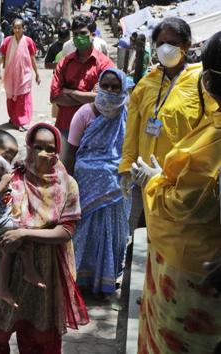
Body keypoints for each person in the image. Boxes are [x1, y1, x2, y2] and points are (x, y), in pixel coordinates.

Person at [135, 31, 221, 354]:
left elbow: (188, 202)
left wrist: (156, 181)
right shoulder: (148, 83)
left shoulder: (215, 135)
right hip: (178, 260)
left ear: (208, 80)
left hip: (192, 276)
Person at [0, 123, 88, 354]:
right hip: (3, 263)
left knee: (39, 338)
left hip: (44, 269)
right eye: (37, 147)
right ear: (28, 147)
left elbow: (66, 231)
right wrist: (1, 237)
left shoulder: (67, 184)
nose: (43, 153)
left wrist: (23, 233)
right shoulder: (10, 176)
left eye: (50, 148)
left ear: (58, 150)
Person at [118, 17, 215, 239]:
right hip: (146, 179)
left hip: (184, 182)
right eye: (161, 43)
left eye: (171, 42)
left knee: (179, 238)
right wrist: (125, 167)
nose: (165, 48)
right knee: (146, 237)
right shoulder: (146, 83)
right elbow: (132, 131)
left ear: (186, 45)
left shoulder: (201, 81)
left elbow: (211, 131)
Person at [62, 68, 131, 296]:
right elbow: (70, 152)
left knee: (112, 235)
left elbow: (130, 150)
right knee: (85, 234)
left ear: (123, 89)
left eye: (115, 87)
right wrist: (67, 185)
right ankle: (80, 280)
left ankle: (105, 281)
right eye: (106, 86)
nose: (110, 91)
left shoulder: (127, 114)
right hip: (86, 187)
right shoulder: (85, 113)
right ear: (98, 87)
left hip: (116, 189)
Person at [0, 130, 46, 309]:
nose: (8, 163)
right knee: (25, 233)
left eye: (12, 158)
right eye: (6, 156)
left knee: (11, 251)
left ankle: (4, 287)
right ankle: (29, 272)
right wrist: (3, 182)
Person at [50, 14, 114, 144]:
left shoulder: (105, 64)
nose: (79, 37)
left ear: (93, 35)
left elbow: (104, 99)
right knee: (64, 163)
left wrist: (69, 92)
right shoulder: (64, 63)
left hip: (95, 128)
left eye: (83, 33)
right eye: (75, 34)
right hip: (66, 125)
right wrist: (89, 96)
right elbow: (56, 96)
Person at [0, 19, 41, 132]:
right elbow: (3, 56)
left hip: (25, 74)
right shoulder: (7, 41)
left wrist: (37, 74)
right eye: (15, 28)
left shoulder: (28, 41)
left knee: (22, 98)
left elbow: (32, 58)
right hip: (10, 74)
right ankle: (13, 117)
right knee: (11, 97)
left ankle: (23, 121)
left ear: (24, 28)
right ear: (12, 29)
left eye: (19, 28)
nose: (17, 30)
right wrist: (1, 70)